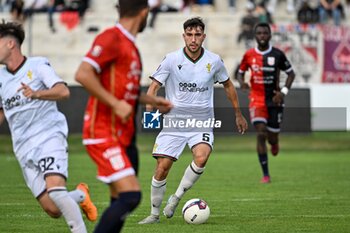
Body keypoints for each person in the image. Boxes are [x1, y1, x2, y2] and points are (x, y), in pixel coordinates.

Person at [74, 0, 173, 232]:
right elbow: (83, 73)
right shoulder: (111, 38)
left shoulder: (131, 47)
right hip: (102, 132)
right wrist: (115, 103)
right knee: (130, 196)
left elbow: (123, 92)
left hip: (123, 136)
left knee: (118, 201)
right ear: (145, 12)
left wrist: (151, 100)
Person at [138, 17, 248, 224]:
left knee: (202, 156)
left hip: (202, 121)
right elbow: (153, 88)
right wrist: (150, 117)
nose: (193, 39)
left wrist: (238, 113)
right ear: (184, 36)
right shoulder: (171, 59)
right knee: (162, 167)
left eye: (197, 35)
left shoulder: (214, 61)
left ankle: (176, 198)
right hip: (174, 123)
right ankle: (154, 214)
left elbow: (228, 85)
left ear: (203, 37)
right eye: (189, 35)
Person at [0, 20, 97, 233]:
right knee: (53, 208)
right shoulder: (0, 78)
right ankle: (80, 195)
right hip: (23, 148)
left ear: (10, 44)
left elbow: (63, 91)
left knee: (55, 190)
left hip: (48, 135)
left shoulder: (37, 65)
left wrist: (36, 93)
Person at [236, 22, 295, 184]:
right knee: (261, 133)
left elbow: (291, 74)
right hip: (256, 99)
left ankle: (275, 143)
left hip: (274, 100)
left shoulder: (278, 55)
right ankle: (266, 174)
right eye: (259, 33)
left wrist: (282, 93)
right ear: (255, 36)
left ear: (270, 35)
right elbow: (240, 73)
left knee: (272, 138)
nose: (262, 36)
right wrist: (242, 83)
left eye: (265, 33)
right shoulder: (248, 55)